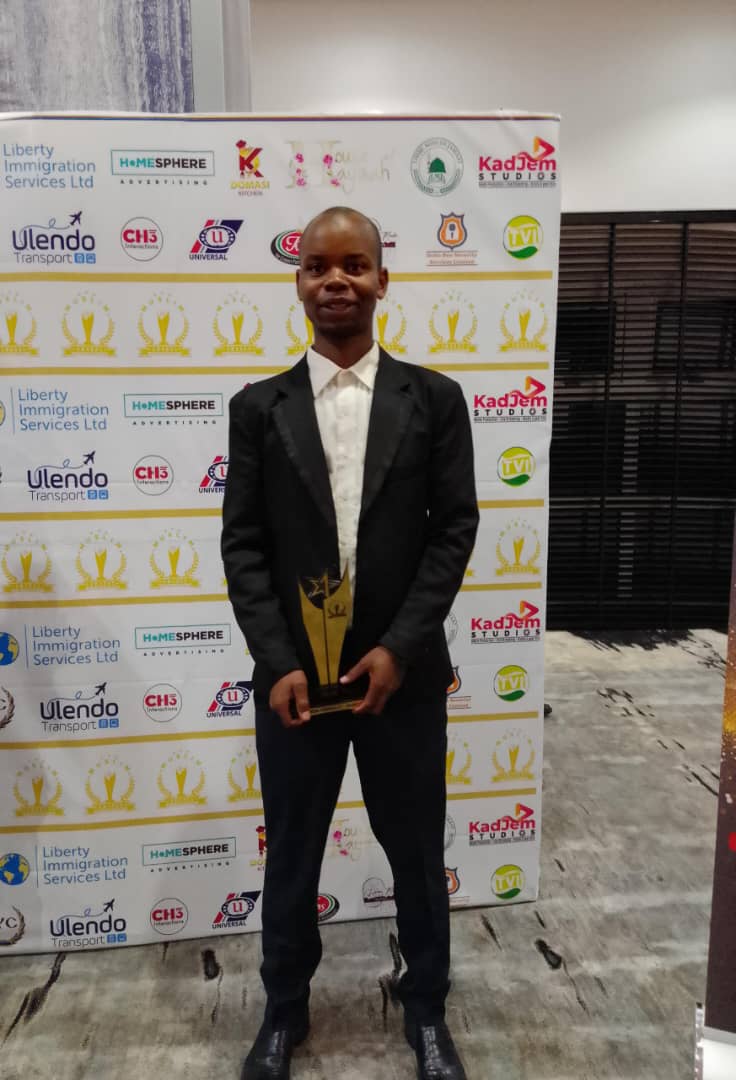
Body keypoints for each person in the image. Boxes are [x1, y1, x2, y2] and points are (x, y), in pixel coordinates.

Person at [222, 206, 478, 1080]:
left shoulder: (434, 400)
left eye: (354, 265)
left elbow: (454, 530)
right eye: (317, 266)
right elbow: (244, 545)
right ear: (298, 282)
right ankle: (283, 1011)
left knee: (417, 853)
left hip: (401, 678)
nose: (336, 279)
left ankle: (427, 1011)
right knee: (293, 855)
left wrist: (400, 648)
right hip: (295, 683)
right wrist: (278, 662)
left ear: (381, 280)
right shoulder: (258, 409)